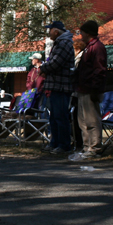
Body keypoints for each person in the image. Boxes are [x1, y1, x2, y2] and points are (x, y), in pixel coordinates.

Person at [69, 20, 107, 162]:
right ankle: (87, 146)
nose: (80, 35)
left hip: (90, 89)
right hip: (82, 88)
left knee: (92, 120)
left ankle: (95, 147)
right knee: (82, 121)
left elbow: (99, 70)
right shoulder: (88, 48)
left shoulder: (97, 48)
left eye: (82, 32)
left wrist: (95, 89)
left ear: (88, 33)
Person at [38, 20, 74, 154]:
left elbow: (55, 63)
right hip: (55, 85)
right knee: (53, 117)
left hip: (61, 86)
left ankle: (64, 145)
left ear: (56, 31)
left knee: (60, 116)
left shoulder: (64, 44)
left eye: (50, 30)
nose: (48, 33)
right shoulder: (59, 43)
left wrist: (43, 68)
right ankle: (55, 143)